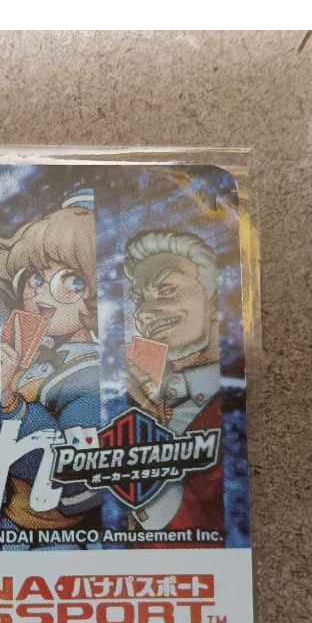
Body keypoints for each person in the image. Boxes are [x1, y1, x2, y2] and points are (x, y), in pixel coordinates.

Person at [0, 194, 102, 534]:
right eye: (37, 278)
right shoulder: (30, 349)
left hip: (51, 534)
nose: (43, 293)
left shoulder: (88, 376)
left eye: (72, 281)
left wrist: (10, 403)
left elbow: (75, 483)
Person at [123, 228, 223, 536]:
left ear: (215, 299)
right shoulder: (143, 400)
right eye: (139, 300)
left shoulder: (230, 406)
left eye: (166, 290)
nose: (143, 313)